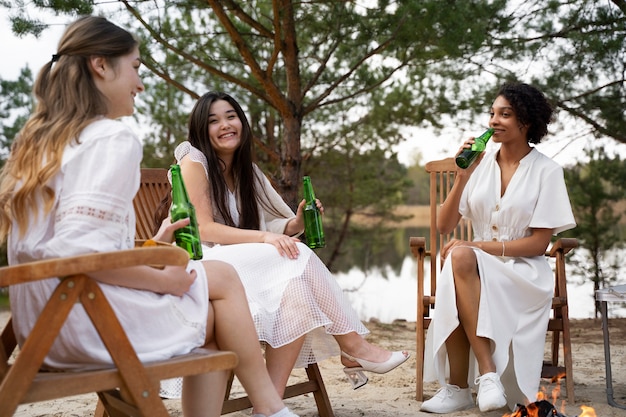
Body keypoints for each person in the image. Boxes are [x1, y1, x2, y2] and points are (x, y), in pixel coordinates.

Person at [0, 16, 297, 417]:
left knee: (215, 308)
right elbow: (78, 248)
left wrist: (153, 246)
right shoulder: (110, 138)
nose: (140, 83)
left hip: (39, 324)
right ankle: (271, 408)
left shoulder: (37, 141)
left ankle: (269, 407)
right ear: (101, 66)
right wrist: (162, 279)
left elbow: (64, 242)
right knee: (221, 284)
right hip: (83, 325)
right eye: (136, 67)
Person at [165, 91, 410, 398]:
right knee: (297, 254)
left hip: (239, 268)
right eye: (214, 120)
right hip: (205, 269)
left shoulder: (246, 171)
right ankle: (352, 345)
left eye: (231, 116)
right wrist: (267, 238)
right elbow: (203, 229)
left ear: (242, 122)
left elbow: (261, 226)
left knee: (295, 293)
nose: (225, 125)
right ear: (202, 129)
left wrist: (294, 225)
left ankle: (268, 403)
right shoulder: (194, 160)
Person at [419, 82, 576, 414]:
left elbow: (539, 243)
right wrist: (463, 176)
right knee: (459, 261)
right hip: (472, 267)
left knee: (460, 258)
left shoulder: (547, 171)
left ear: (527, 122)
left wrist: (477, 246)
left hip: (523, 273)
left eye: (505, 114)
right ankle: (482, 377)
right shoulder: (481, 165)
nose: (494, 121)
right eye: (492, 113)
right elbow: (444, 227)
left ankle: (461, 386)